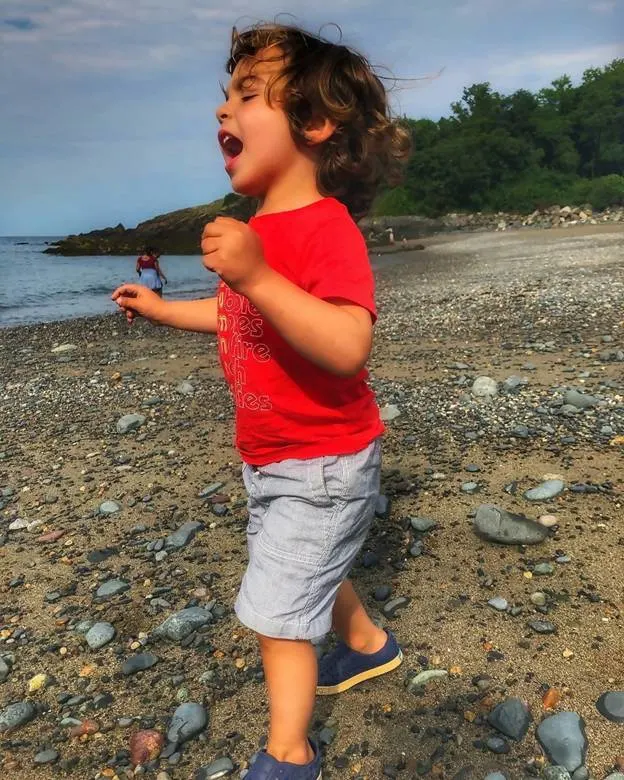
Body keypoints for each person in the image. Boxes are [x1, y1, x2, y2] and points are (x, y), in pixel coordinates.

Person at [112, 22, 410, 779]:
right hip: (275, 456)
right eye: (225, 97)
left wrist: (258, 277)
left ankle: (290, 753)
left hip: (324, 461)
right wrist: (161, 308)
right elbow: (236, 314)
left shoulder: (324, 227)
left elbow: (347, 343)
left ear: (314, 124)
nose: (223, 112)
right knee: (310, 569)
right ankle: (371, 645)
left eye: (247, 95)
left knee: (278, 614)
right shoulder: (258, 229)